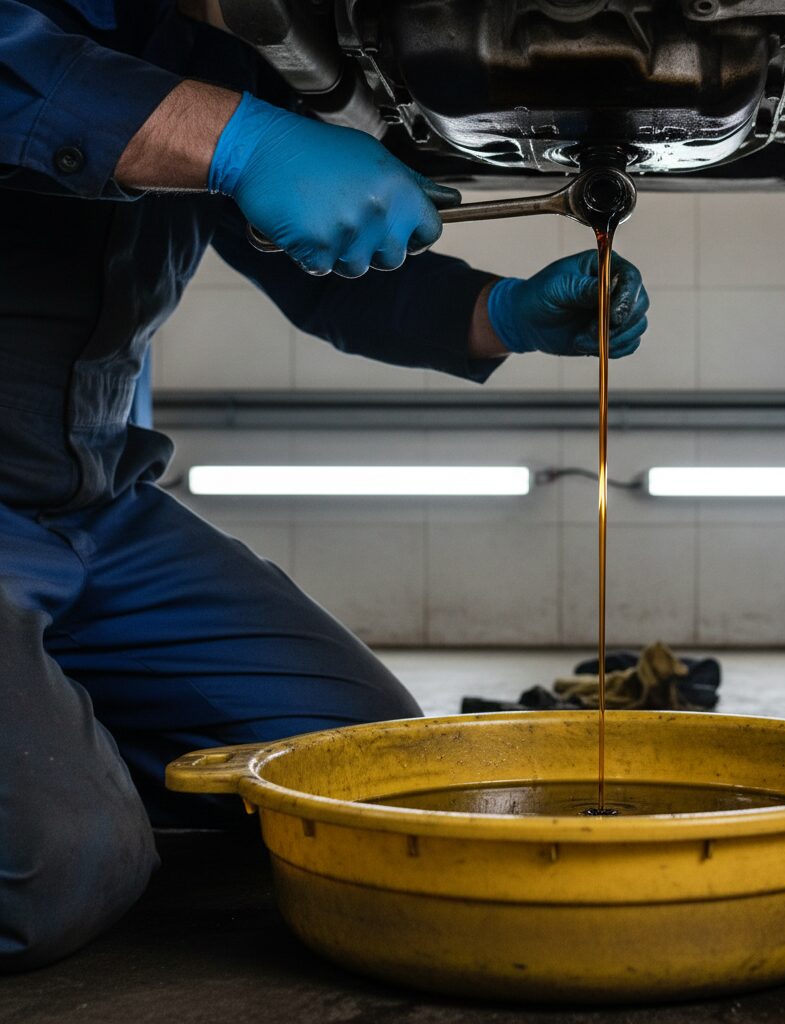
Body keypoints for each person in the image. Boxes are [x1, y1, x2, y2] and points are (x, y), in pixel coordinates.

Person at [0, 0, 650, 972]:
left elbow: (327, 271)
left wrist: (502, 312)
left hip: (98, 512)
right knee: (57, 869)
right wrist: (238, 138)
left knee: (364, 777)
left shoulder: (194, 46)